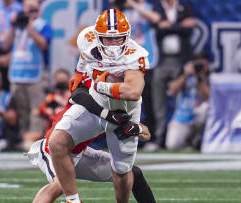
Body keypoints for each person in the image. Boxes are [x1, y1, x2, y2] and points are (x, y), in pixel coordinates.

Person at [49, 9, 149, 203]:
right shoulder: (86, 38)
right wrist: (79, 72)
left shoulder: (135, 55)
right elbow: (85, 58)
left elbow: (132, 91)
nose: (113, 44)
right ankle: (72, 201)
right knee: (57, 142)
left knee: (121, 170)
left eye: (118, 39)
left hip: (124, 110)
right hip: (97, 103)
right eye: (108, 39)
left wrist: (98, 84)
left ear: (126, 37)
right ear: (97, 36)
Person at [27, 123, 155, 203]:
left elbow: (146, 133)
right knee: (60, 185)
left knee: (134, 173)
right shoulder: (85, 104)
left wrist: (135, 128)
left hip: (79, 153)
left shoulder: (111, 108)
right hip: (54, 150)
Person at [144, 0, 195, 152]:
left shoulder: (184, 6)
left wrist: (168, 26)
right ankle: (157, 138)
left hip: (180, 60)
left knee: (183, 98)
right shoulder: (157, 7)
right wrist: (179, 26)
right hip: (161, 59)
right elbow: (156, 30)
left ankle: (185, 138)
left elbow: (188, 31)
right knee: (157, 101)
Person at [2, 0, 53, 150]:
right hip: (17, 74)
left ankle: (35, 141)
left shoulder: (43, 25)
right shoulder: (16, 26)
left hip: (35, 75)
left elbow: (43, 44)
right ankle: (24, 138)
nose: (30, 13)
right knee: (22, 110)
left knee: (36, 110)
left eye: (34, 10)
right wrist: (13, 26)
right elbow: (5, 45)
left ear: (38, 10)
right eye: (28, 10)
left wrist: (29, 27)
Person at [165, 53, 210, 151]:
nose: (199, 67)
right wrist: (186, 74)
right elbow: (172, 89)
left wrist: (200, 78)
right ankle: (188, 142)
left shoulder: (208, 77)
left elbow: (209, 97)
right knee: (172, 145)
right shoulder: (184, 74)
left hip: (197, 116)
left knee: (206, 108)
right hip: (182, 117)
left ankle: (197, 140)